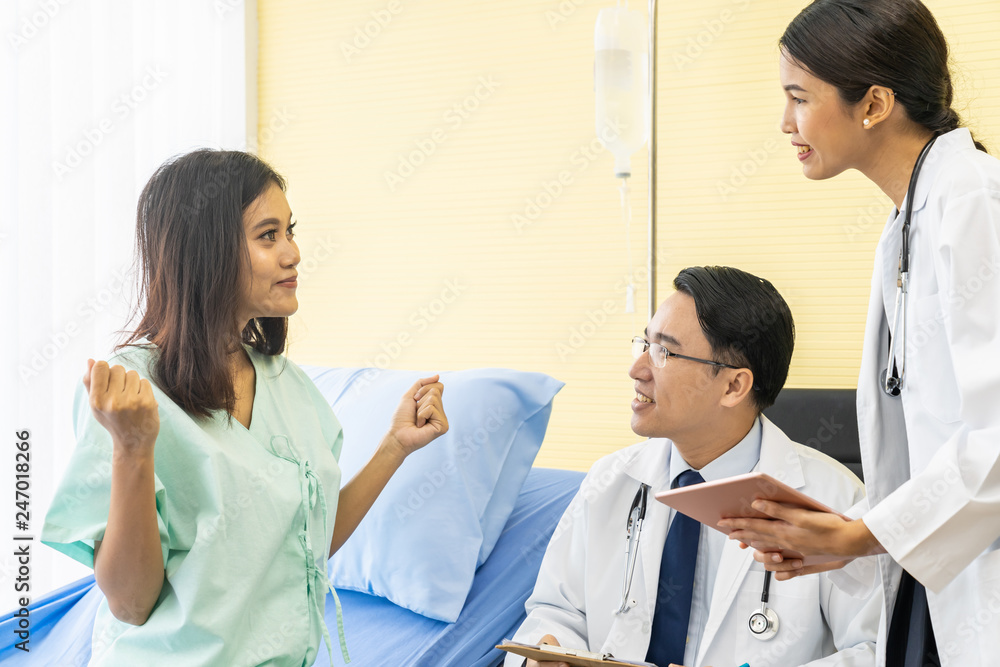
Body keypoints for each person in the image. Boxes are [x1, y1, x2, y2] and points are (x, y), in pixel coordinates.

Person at [41, 149, 449, 666]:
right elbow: (130, 603)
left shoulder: (289, 386)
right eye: (268, 235)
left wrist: (394, 447)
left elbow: (306, 543)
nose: (293, 253)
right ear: (205, 251)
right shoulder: (129, 393)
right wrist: (132, 449)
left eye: (289, 231)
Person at [719, 2, 1000, 666]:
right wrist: (847, 533)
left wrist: (862, 534)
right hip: (941, 578)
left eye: (799, 98)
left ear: (873, 104)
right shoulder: (906, 223)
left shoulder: (974, 200)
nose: (785, 122)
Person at [505, 266, 880, 667]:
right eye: (644, 344)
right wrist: (542, 655)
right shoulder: (609, 480)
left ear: (733, 386)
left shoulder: (838, 500)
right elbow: (553, 612)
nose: (637, 370)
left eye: (664, 352)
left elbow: (876, 650)